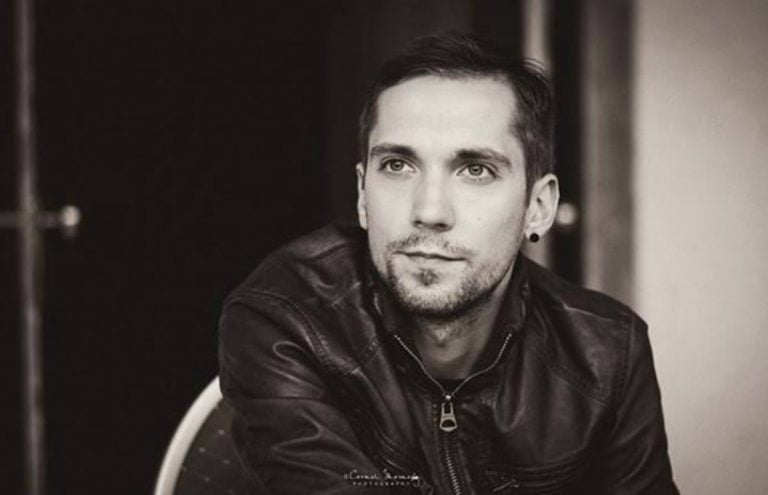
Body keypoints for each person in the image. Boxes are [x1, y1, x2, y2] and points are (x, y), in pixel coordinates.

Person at [218, 32, 678, 494]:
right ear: (362, 194)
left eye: (476, 170)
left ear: (538, 208)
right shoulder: (285, 319)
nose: (430, 211)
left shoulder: (607, 353)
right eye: (397, 165)